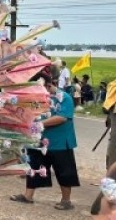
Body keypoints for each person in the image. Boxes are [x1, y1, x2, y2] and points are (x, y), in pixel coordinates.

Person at [10, 78, 80, 210]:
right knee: (34, 166)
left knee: (63, 171)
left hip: (59, 141)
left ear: (48, 85)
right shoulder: (35, 98)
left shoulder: (64, 97)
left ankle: (66, 200)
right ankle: (28, 196)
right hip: (38, 140)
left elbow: (62, 117)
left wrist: (39, 124)